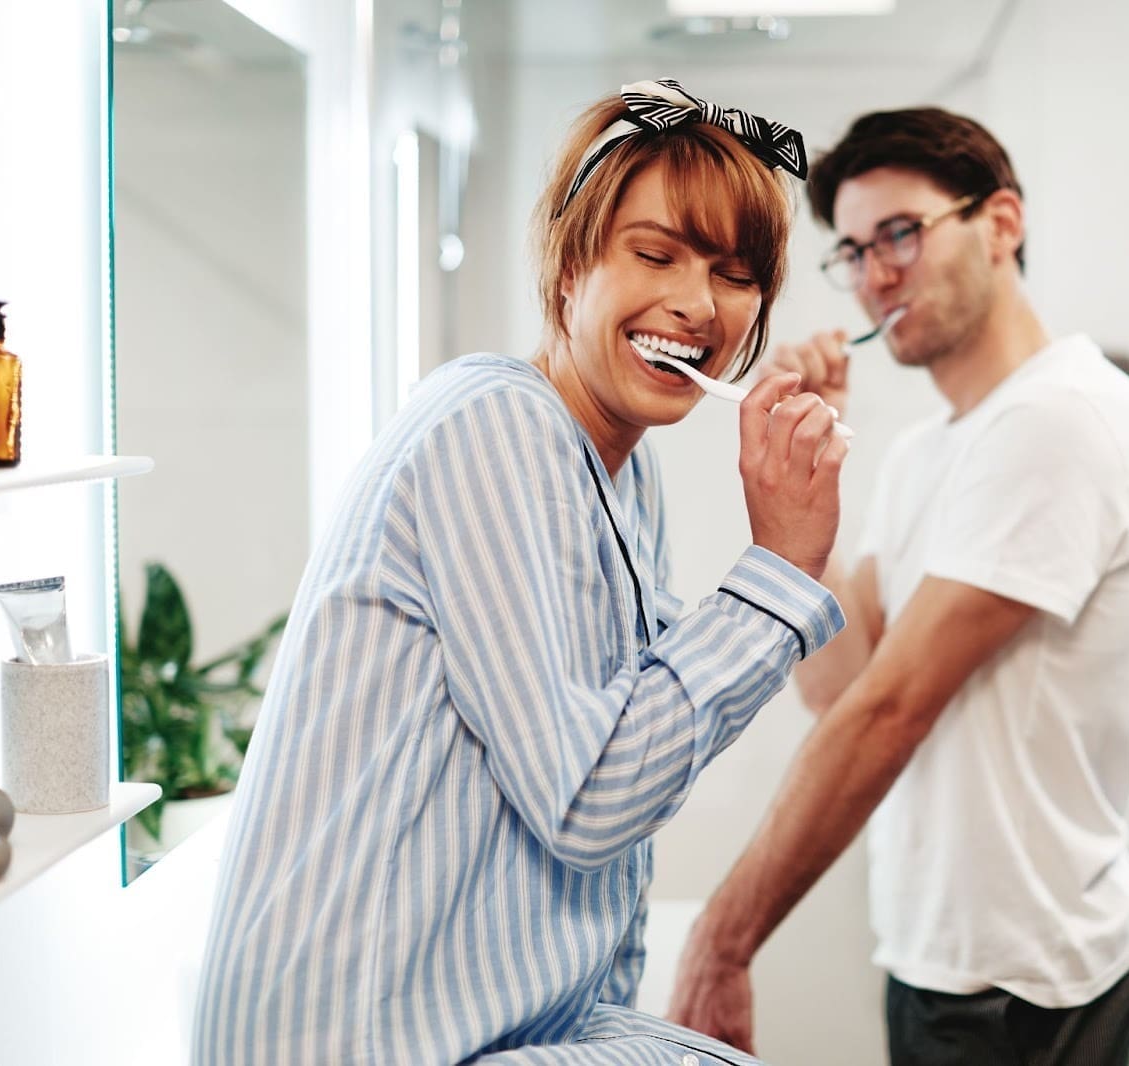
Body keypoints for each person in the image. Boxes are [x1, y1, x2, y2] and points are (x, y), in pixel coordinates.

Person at [191, 79, 847, 1066]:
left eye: (735, 272)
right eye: (655, 254)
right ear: (568, 270)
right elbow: (591, 800)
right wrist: (779, 568)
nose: (696, 302)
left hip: (495, 1025)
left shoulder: (623, 474)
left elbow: (620, 739)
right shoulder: (494, 429)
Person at [667, 107, 1129, 1066]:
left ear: (1002, 225)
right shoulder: (927, 452)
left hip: (1028, 978)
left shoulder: (1062, 418)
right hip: (942, 956)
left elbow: (891, 708)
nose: (874, 274)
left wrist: (722, 941)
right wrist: (818, 474)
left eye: (900, 232)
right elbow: (838, 687)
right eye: (852, 251)